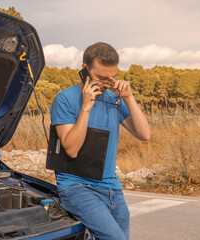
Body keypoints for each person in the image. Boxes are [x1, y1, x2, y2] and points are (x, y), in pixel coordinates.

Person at [49, 42, 150, 240]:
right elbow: (71, 149)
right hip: (78, 187)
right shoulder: (65, 99)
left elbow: (144, 134)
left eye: (112, 77)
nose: (107, 83)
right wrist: (86, 107)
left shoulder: (114, 98)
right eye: (101, 78)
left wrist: (129, 98)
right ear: (84, 69)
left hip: (112, 187)